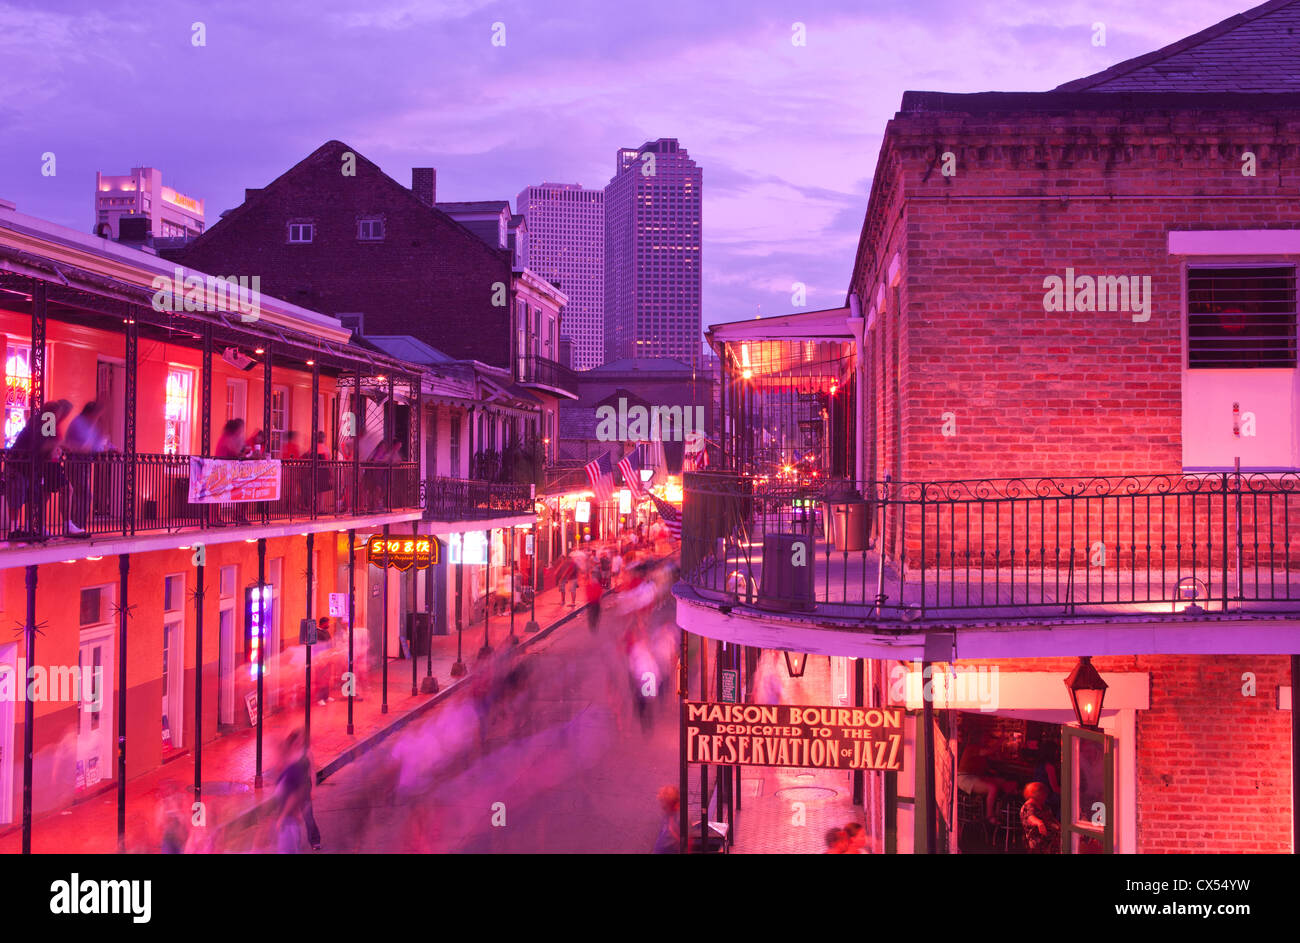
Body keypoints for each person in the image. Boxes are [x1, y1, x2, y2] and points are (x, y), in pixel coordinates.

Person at [7, 399, 76, 539]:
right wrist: (58, 446)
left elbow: (43, 444)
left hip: (25, 465)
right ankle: (16, 530)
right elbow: (43, 445)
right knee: (20, 497)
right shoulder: (47, 420)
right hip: (20, 465)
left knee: (26, 497)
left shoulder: (38, 420)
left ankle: (22, 529)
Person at [63, 401, 111, 534]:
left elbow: (98, 444)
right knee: (83, 494)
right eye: (98, 414)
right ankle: (75, 526)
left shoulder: (91, 425)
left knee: (81, 494)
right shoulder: (79, 423)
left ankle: (77, 526)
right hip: (76, 463)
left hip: (83, 463)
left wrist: (109, 447)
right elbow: (85, 446)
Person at [274, 728, 321, 851]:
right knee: (295, 818)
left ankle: (314, 840)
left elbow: (312, 771)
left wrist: (313, 789)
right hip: (294, 790)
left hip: (305, 788)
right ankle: (296, 843)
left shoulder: (307, 753)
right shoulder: (290, 755)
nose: (300, 741)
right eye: (298, 739)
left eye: (301, 739)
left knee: (308, 817)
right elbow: (281, 771)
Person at [956, 741, 1016, 824]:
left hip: (975, 776)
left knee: (1003, 782)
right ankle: (989, 816)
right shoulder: (971, 748)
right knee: (992, 788)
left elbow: (993, 757)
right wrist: (1001, 740)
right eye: (986, 735)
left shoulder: (982, 749)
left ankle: (1002, 813)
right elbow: (990, 751)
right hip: (964, 778)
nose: (988, 737)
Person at [1020, 782, 1061, 854]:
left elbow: (1051, 819)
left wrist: (1059, 826)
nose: (1045, 796)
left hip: (1051, 841)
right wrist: (1039, 823)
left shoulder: (1043, 806)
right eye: (1044, 794)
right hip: (1038, 843)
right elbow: (1031, 817)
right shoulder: (1029, 806)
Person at [652, 786, 682, 853]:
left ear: (672, 804)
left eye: (664, 805)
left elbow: (686, 843)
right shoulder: (668, 814)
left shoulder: (681, 818)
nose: (662, 807)